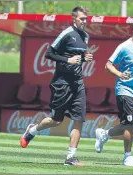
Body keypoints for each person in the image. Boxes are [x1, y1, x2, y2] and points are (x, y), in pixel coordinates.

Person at [20, 6, 93, 167]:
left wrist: (84, 57)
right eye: (82, 19)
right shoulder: (67, 33)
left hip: (78, 83)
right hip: (61, 83)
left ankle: (70, 157)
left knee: (79, 119)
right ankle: (32, 130)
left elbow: (78, 56)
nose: (84, 21)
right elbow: (49, 53)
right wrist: (68, 60)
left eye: (86, 18)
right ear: (74, 19)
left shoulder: (86, 36)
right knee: (56, 120)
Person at [95, 17, 133, 167]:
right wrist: (120, 74)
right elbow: (108, 65)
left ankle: (104, 134)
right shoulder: (124, 47)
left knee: (130, 125)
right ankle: (128, 157)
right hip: (124, 90)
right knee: (129, 125)